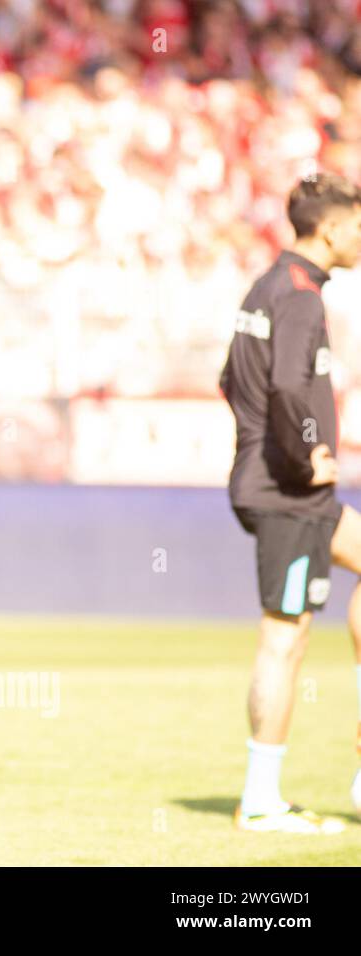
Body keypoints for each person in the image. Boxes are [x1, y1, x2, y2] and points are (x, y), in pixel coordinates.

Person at [219, 173, 361, 833]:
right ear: (331, 229)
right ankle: (261, 799)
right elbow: (285, 388)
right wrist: (308, 452)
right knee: (286, 638)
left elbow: (232, 379)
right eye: (357, 225)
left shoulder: (266, 284)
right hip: (290, 494)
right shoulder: (301, 297)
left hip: (279, 483)